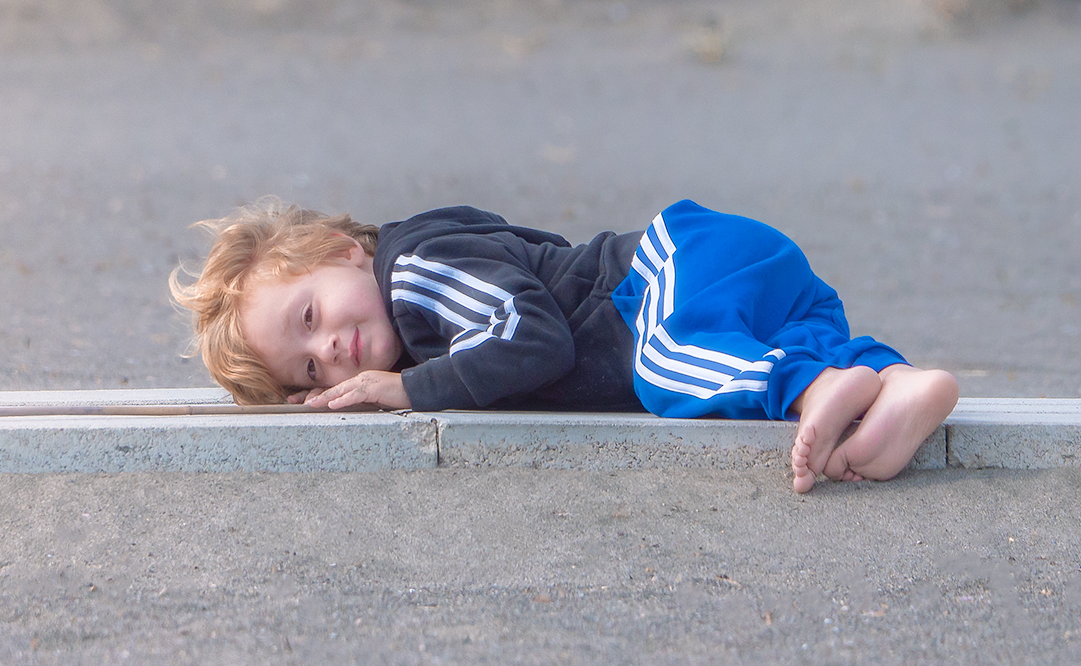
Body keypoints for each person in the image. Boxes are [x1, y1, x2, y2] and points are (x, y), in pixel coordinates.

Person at [168, 198, 958, 494]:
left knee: (664, 366)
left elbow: (531, 336)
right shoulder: (420, 296)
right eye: (309, 367)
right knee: (767, 342)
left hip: (669, 275)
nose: (333, 350)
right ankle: (894, 386)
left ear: (342, 248)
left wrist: (410, 390)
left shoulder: (411, 274)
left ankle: (814, 392)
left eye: (310, 314)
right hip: (728, 270)